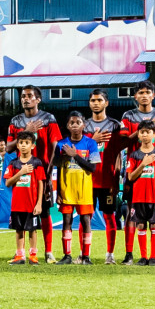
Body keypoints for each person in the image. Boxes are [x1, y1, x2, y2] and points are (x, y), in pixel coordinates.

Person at [120, 81, 155, 265]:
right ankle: (130, 254)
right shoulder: (128, 116)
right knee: (132, 215)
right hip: (135, 169)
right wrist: (143, 129)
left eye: (148, 92)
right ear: (135, 96)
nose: (144, 95)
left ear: (153, 95)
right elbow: (122, 143)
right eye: (140, 92)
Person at [49, 111, 98, 265]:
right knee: (67, 221)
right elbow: (56, 164)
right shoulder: (61, 144)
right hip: (66, 190)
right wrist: (62, 155)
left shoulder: (91, 143)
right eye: (72, 123)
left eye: (78, 122)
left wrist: (75, 155)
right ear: (67, 126)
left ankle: (86, 256)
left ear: (84, 125)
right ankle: (67, 255)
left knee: (85, 221)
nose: (75, 125)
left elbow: (92, 168)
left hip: (84, 190)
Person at [84, 89, 124, 264]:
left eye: (99, 100)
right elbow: (79, 153)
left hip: (108, 180)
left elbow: (118, 154)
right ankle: (85, 254)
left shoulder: (115, 125)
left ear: (106, 103)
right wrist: (93, 139)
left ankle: (110, 255)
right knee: (86, 217)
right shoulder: (83, 125)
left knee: (110, 217)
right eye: (93, 100)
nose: (96, 103)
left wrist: (117, 180)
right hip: (87, 180)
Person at [125, 121, 155, 266]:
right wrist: (143, 164)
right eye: (142, 132)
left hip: (154, 197)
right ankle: (143, 257)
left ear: (154, 134)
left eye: (148, 132)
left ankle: (153, 257)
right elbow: (130, 177)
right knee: (140, 226)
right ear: (138, 135)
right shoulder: (134, 155)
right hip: (138, 198)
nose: (145, 135)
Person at [2, 130, 47, 265]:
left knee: (32, 230)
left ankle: (33, 255)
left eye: (27, 143)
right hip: (17, 204)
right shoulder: (13, 164)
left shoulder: (37, 163)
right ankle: (20, 256)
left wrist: (39, 203)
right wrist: (21, 172)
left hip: (32, 204)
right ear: (17, 145)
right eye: (21, 143)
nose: (23, 145)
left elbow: (40, 184)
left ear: (32, 146)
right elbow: (8, 183)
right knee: (19, 229)